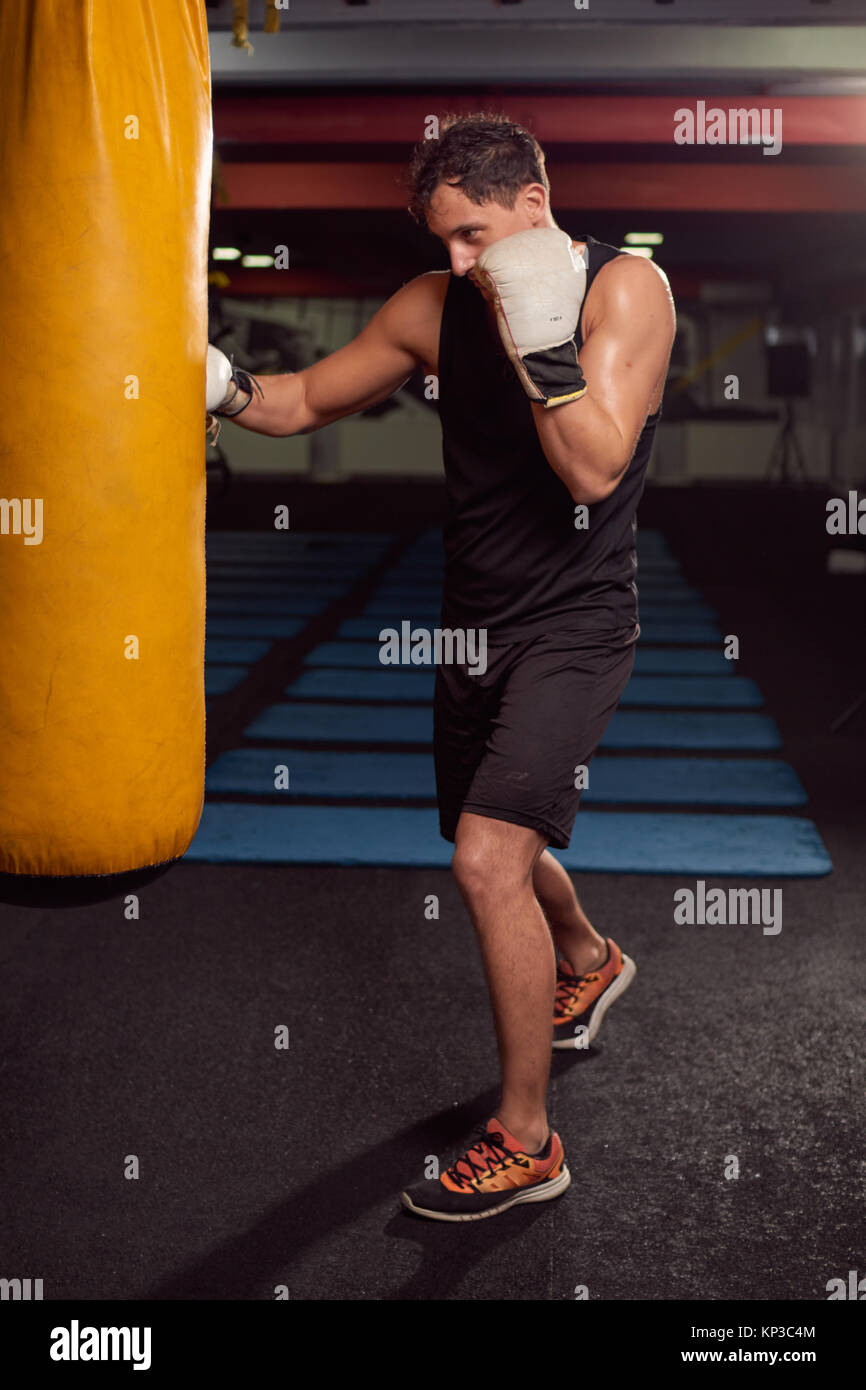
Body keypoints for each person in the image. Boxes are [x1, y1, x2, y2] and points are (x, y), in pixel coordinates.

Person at [207, 113, 676, 1223]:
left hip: (576, 624)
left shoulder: (627, 292)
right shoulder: (430, 306)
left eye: (473, 236)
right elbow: (303, 401)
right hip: (473, 623)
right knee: (478, 833)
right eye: (445, 241)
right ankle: (588, 954)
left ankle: (525, 1138)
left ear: (532, 198)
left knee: (480, 859)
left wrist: (534, 331)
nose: (461, 262)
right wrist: (215, 378)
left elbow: (593, 468)